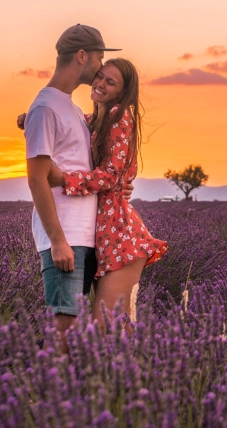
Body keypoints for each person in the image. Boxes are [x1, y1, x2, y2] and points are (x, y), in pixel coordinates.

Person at [47, 58, 168, 332]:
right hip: (103, 237)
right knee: (119, 330)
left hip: (120, 237)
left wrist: (63, 179)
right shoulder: (95, 119)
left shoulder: (119, 116)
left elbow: (112, 173)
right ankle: (147, 372)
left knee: (103, 329)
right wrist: (31, 117)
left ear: (122, 93)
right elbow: (65, 124)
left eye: (110, 82)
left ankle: (157, 370)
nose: (100, 83)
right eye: (100, 76)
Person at [23, 24, 122, 353]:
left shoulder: (68, 108)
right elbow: (36, 178)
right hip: (66, 239)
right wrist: (58, 241)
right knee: (64, 333)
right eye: (99, 59)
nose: (100, 68)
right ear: (82, 56)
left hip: (85, 236)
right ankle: (47, 398)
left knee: (83, 334)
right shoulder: (47, 107)